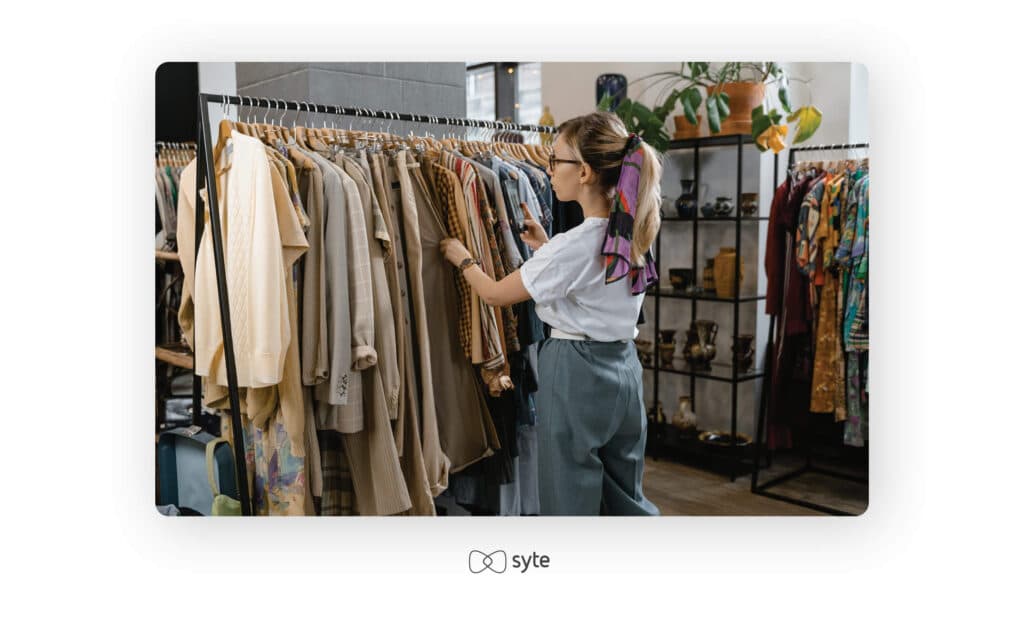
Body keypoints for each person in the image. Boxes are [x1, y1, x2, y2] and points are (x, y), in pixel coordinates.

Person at [440, 111, 662, 516]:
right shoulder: (631, 230)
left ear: (585, 172)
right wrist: (546, 245)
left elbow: (493, 295)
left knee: (567, 490)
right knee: (624, 492)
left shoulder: (574, 245)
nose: (548, 169)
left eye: (556, 160)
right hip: (624, 368)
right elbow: (588, 284)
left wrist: (462, 257)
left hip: (576, 370)